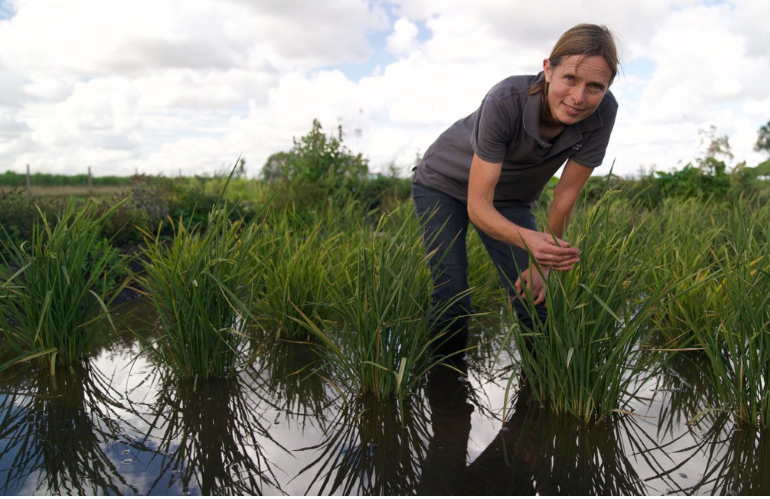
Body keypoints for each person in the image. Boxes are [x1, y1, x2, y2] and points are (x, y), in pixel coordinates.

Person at [412, 23, 619, 358]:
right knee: (452, 296)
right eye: (570, 78)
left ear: (607, 87)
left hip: (511, 199)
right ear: (548, 69)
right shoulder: (505, 100)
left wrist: (543, 264)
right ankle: (445, 391)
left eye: (595, 86)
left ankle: (540, 389)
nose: (579, 98)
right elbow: (478, 207)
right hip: (443, 184)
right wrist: (534, 241)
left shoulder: (603, 113)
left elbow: (565, 196)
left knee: (535, 296)